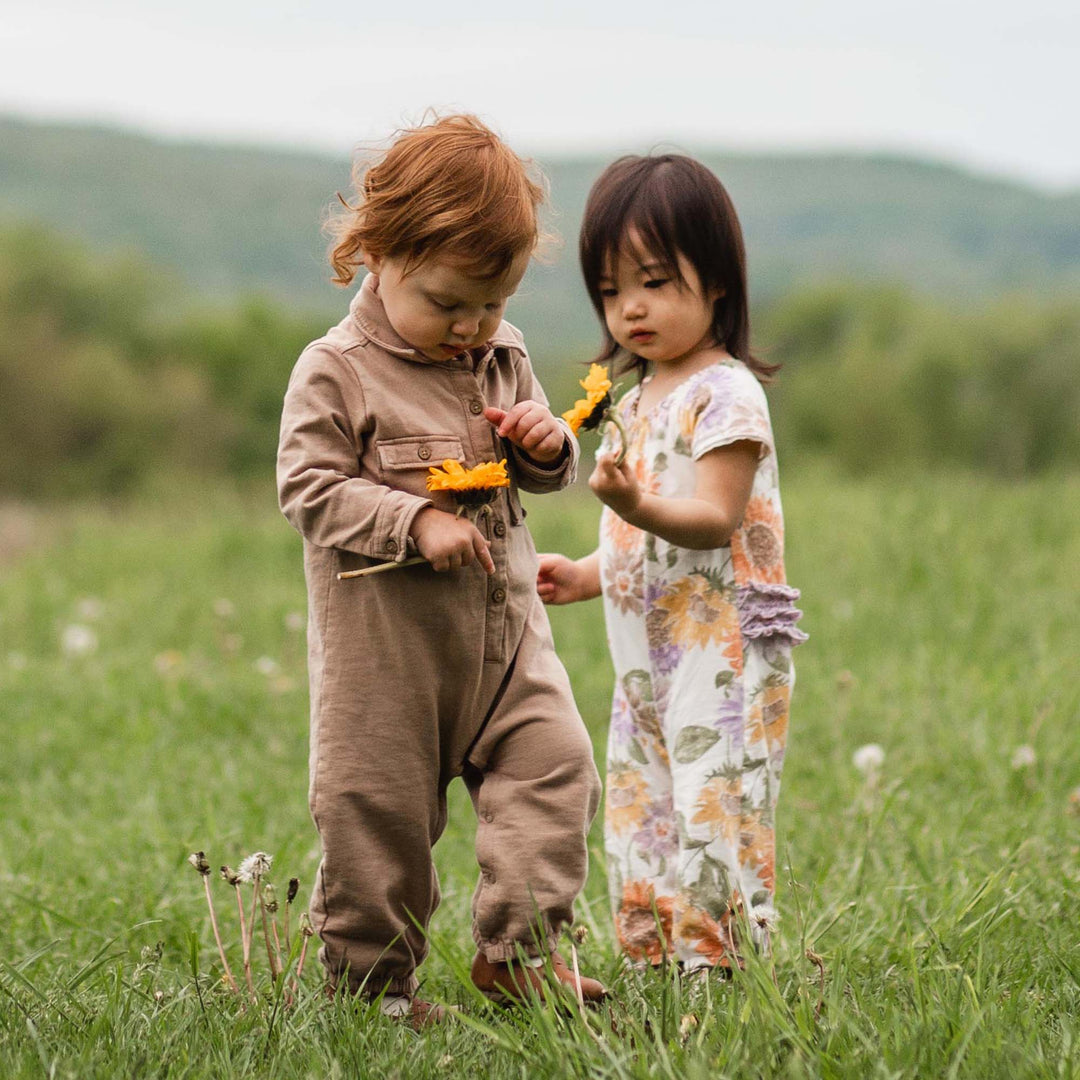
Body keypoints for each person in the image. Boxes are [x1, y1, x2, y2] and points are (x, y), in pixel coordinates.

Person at [277, 115, 605, 1026]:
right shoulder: (335, 372)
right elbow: (305, 488)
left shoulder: (506, 355)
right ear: (378, 254)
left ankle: (518, 954)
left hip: (505, 644)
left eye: (489, 305)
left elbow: (535, 467)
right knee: (373, 817)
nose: (469, 327)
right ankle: (371, 990)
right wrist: (410, 518)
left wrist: (546, 446)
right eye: (446, 303)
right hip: (387, 661)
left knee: (558, 767)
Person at [537, 154, 807, 974]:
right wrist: (588, 573)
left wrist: (634, 508)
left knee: (713, 807)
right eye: (612, 289)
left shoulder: (726, 394)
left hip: (722, 656)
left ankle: (720, 972)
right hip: (644, 666)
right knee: (641, 807)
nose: (632, 308)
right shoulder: (636, 397)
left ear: (717, 277)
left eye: (654, 281)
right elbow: (643, 540)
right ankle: (655, 965)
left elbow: (711, 517)